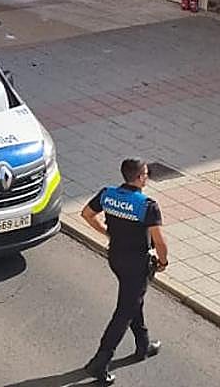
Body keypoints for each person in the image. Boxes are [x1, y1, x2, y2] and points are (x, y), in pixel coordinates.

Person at [81, 158, 167, 385]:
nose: (147, 177)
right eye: (146, 174)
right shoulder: (147, 205)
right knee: (124, 311)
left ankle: (143, 345)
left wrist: (107, 233)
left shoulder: (107, 194)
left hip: (116, 259)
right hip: (136, 263)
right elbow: (159, 241)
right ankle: (101, 360)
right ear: (139, 177)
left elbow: (86, 214)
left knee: (132, 300)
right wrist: (164, 262)